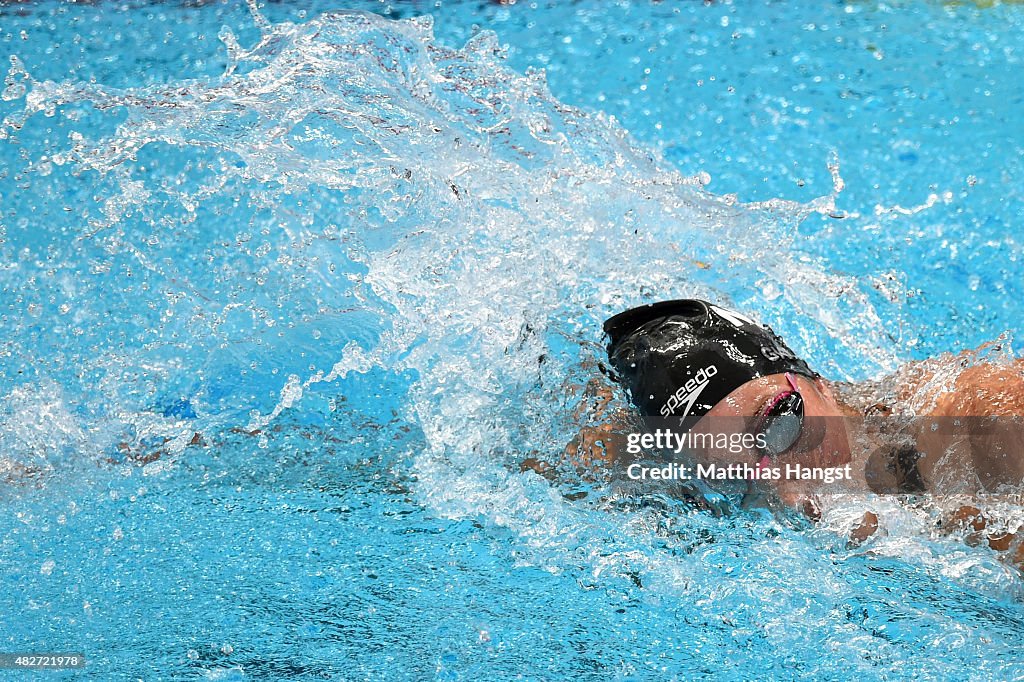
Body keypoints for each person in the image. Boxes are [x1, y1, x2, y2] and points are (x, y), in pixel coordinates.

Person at [558, 298, 1024, 566]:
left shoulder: (972, 421)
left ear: (812, 381)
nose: (792, 499)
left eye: (780, 427)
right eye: (739, 485)